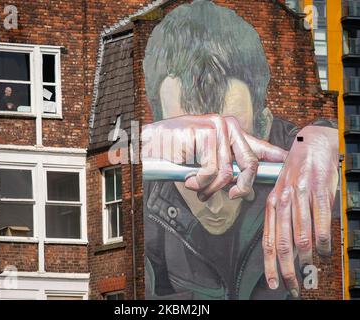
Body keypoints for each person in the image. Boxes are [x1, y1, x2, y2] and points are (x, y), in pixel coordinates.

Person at [142, 0, 339, 300]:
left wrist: (326, 137)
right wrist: (142, 147)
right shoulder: (142, 171)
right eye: (190, 161)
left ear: (263, 129)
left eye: (236, 158)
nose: (216, 204)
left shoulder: (293, 149)